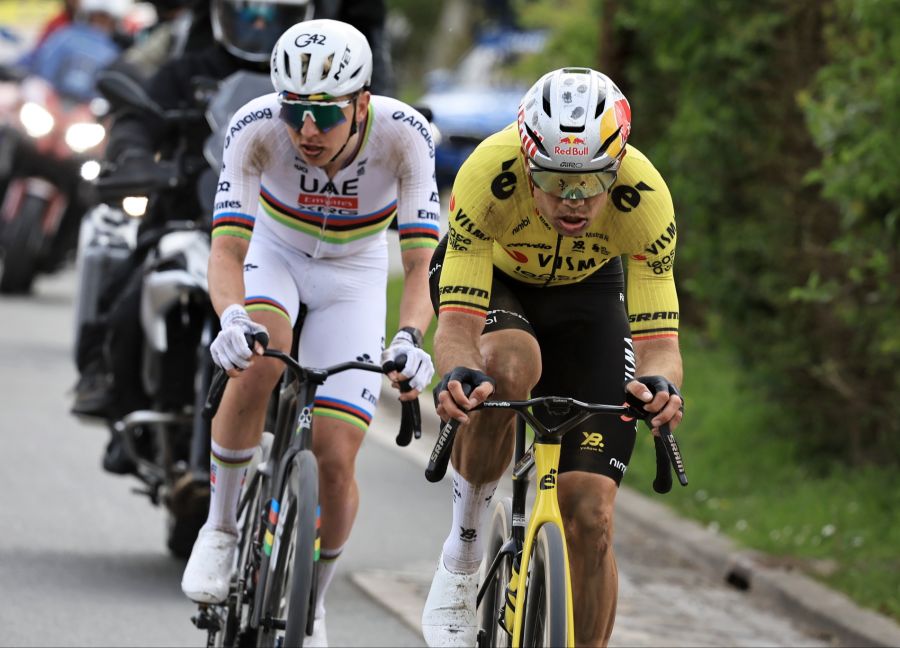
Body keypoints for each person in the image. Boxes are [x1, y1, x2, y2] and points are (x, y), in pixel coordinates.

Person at [178, 18, 440, 647]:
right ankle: (219, 528)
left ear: (362, 103)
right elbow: (226, 252)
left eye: (325, 114)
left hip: (353, 274)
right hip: (277, 255)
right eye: (296, 112)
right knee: (262, 353)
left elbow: (418, 262)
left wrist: (408, 337)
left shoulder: (405, 137)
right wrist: (231, 317)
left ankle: (313, 603)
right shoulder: (256, 126)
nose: (307, 131)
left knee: (336, 456)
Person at [421, 66, 685, 647]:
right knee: (508, 366)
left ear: (615, 170)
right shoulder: (489, 174)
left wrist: (662, 388)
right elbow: (459, 326)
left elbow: (659, 343)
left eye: (591, 182)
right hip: (497, 279)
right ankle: (463, 552)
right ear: (525, 160)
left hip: (588, 294)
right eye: (555, 180)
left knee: (590, 514)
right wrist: (458, 374)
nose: (574, 200)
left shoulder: (644, 199)